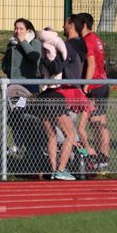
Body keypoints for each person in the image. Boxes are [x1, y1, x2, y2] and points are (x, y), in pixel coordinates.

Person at [36, 15, 93, 181]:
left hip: (50, 95)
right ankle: (60, 169)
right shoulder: (68, 48)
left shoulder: (65, 47)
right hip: (57, 96)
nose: (62, 27)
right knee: (69, 135)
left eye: (65, 23)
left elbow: (57, 67)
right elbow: (59, 67)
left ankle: (55, 169)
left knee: (53, 135)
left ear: (71, 25)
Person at [77, 12, 111, 169]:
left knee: (94, 123)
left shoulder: (88, 40)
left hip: (95, 86)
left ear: (84, 25)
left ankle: (98, 156)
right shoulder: (96, 38)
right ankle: (104, 156)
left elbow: (92, 64)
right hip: (102, 83)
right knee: (101, 122)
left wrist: (86, 85)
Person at [2, 18, 42, 93]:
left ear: (28, 31)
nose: (18, 31)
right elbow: (6, 61)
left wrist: (23, 42)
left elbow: (35, 57)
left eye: (21, 29)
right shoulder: (12, 43)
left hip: (29, 84)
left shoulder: (34, 42)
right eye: (16, 28)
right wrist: (6, 68)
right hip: (12, 83)